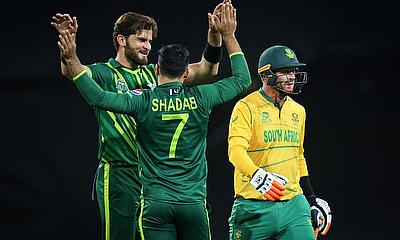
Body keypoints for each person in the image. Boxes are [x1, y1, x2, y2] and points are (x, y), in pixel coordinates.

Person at [58, 2, 250, 240]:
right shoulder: (103, 72)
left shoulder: (154, 73)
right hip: (120, 171)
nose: (147, 46)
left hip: (153, 174)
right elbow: (72, 73)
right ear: (121, 40)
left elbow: (207, 69)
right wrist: (69, 53)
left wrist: (215, 37)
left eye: (149, 41)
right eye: (141, 40)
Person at [227, 45, 332, 239]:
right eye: (285, 72)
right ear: (266, 75)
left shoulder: (298, 110)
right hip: (253, 205)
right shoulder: (246, 107)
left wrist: (311, 198)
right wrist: (257, 175)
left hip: (294, 204)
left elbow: (298, 155)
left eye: (293, 71)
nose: (292, 76)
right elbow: (235, 151)